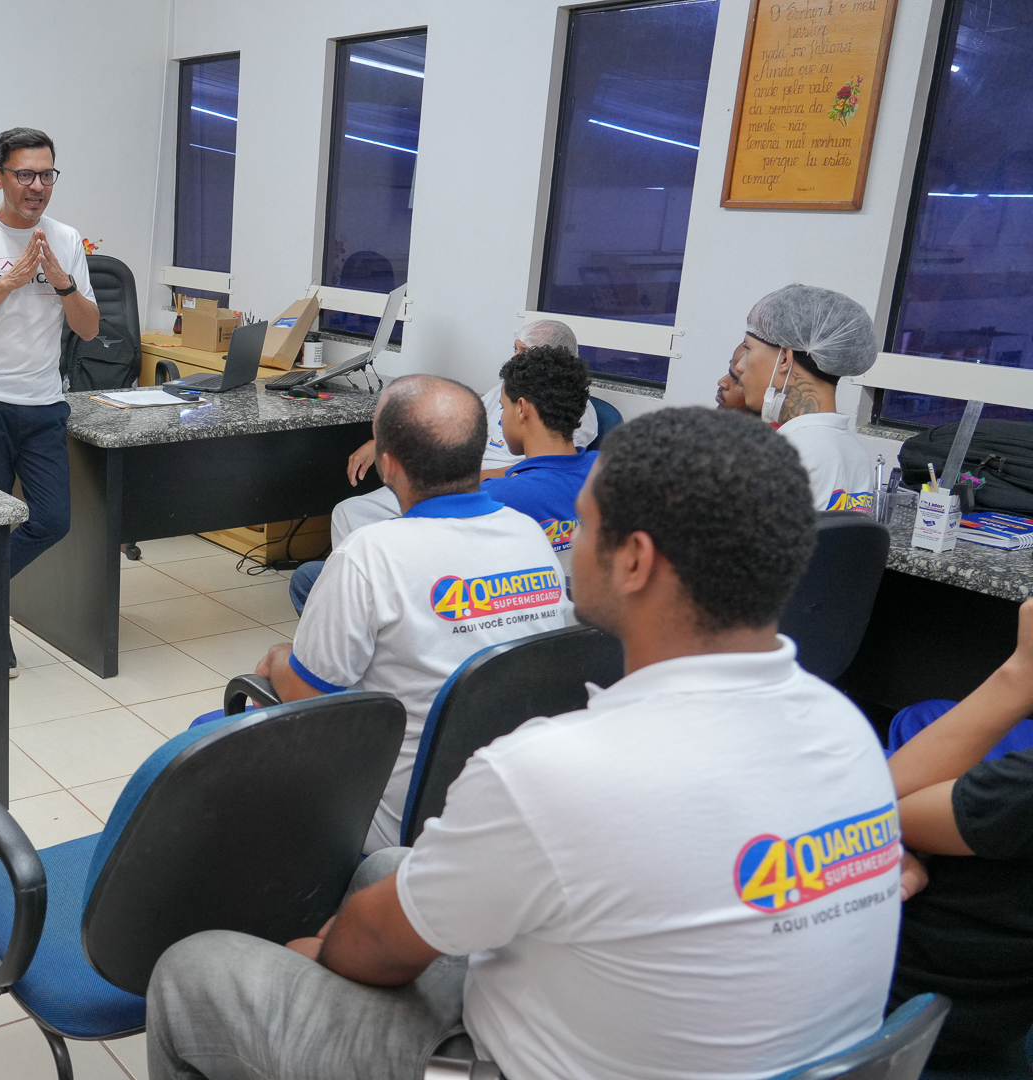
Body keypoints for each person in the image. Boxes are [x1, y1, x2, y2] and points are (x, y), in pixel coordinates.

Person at [148, 407, 903, 1080]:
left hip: (498, 1061)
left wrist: (319, 955)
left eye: (583, 524)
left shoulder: (556, 771)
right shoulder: (848, 732)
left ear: (634, 560)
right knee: (388, 865)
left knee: (192, 973)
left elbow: (372, 948)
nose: (570, 546)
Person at [237, 375, 571, 849]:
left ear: (387, 464)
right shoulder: (528, 535)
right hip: (505, 805)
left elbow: (308, 698)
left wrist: (277, 658)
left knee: (210, 734)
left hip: (397, 820)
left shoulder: (368, 554)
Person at [0, 127, 100, 670]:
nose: (37, 186)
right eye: (24, 174)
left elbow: (91, 329)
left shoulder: (67, 239)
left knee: (52, 520)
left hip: (44, 403)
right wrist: (8, 283)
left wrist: (62, 283)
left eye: (46, 175)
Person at [289, 345, 596, 613]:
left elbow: (413, 567)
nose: (500, 418)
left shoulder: (495, 501)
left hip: (468, 618)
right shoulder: (606, 473)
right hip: (566, 623)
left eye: (502, 408)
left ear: (522, 410)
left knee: (310, 578)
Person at [884, 600, 1033, 1066]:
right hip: (990, 1018)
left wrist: (1021, 675)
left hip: (913, 1029)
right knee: (924, 717)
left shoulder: (1020, 790)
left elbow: (875, 816)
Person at [720, 284, 880, 511]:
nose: (740, 365)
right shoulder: (855, 453)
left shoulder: (784, 454)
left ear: (784, 358)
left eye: (748, 348)